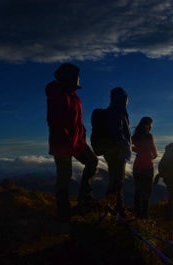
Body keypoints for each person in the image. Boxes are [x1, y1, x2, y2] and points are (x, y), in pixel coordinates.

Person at [45, 63, 98, 221]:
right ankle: (63, 211)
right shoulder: (56, 93)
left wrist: (82, 134)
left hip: (77, 142)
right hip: (62, 142)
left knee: (92, 161)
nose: (78, 78)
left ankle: (84, 198)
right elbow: (54, 120)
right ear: (67, 77)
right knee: (64, 176)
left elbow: (77, 121)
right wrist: (65, 138)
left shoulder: (75, 98)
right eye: (75, 75)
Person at [91, 87, 131, 216]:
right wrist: (123, 146)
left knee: (115, 179)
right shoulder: (117, 112)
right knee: (117, 181)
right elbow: (118, 132)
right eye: (126, 98)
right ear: (123, 98)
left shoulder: (111, 111)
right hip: (117, 151)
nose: (127, 101)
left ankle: (116, 207)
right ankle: (112, 209)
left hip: (109, 150)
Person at [132, 117, 158, 218]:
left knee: (138, 191)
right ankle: (144, 215)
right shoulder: (149, 136)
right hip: (147, 166)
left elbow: (131, 147)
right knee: (146, 193)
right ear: (149, 125)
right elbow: (154, 153)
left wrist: (138, 150)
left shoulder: (135, 136)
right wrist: (153, 155)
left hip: (137, 166)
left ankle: (137, 214)